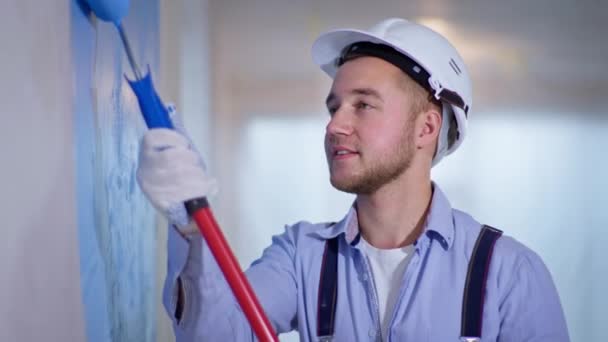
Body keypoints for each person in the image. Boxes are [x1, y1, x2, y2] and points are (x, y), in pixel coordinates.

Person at [136, 18, 570, 341]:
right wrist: (188, 220)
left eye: (362, 105)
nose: (334, 126)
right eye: (334, 107)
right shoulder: (301, 257)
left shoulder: (509, 273)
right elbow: (216, 335)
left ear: (426, 128)